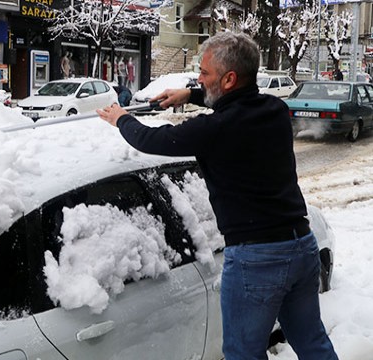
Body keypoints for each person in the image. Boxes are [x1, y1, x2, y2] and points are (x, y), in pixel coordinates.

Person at [97, 31, 338, 360]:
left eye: (204, 73)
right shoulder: (275, 110)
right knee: (313, 345)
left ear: (228, 79)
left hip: (258, 260)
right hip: (301, 247)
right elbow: (239, 101)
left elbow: (153, 141)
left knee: (242, 353)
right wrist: (190, 94)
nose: (198, 78)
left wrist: (121, 119)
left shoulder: (217, 129)